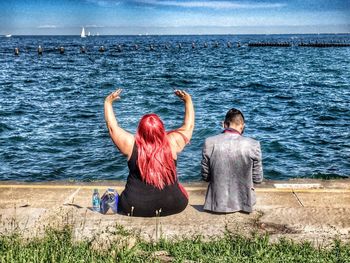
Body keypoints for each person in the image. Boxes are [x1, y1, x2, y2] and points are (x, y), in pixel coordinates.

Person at [104, 89, 194, 217]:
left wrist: (108, 103)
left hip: (133, 206)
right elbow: (188, 127)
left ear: (139, 129)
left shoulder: (130, 145)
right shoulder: (172, 142)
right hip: (175, 204)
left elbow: (112, 128)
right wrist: (188, 101)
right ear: (161, 129)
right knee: (182, 189)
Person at [201, 108, 263, 214]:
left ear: (224, 124)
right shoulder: (254, 144)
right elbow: (258, 179)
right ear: (242, 126)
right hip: (245, 203)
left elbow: (205, 177)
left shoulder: (209, 142)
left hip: (216, 203)